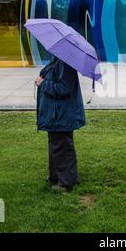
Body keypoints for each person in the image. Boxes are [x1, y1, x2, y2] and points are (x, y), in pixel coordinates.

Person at [35, 56, 86, 192]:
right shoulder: (57, 59)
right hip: (56, 114)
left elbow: (64, 88)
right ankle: (55, 176)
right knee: (55, 145)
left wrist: (43, 84)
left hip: (61, 115)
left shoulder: (65, 63)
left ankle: (66, 182)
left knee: (62, 146)